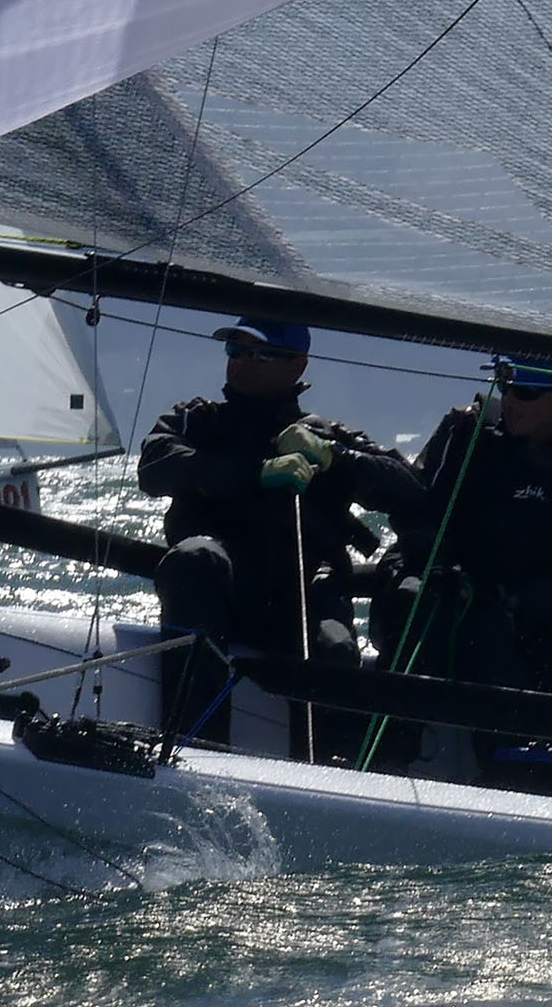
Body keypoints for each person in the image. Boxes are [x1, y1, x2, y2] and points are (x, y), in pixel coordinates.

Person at [137, 319, 423, 746]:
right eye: (235, 350)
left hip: (302, 593)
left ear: (297, 365)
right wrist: (256, 472)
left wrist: (336, 458)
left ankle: (330, 774)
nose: (241, 363)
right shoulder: (198, 420)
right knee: (194, 557)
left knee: (334, 646)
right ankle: (194, 747)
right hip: (224, 590)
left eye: (260, 353)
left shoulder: (326, 435)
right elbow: (155, 468)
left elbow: (412, 491)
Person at [373, 357, 552, 719]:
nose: (510, 400)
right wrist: (438, 565)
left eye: (526, 392)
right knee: (418, 604)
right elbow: (416, 505)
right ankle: (389, 741)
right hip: (435, 586)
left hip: (507, 620)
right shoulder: (464, 430)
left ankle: (507, 750)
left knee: (494, 639)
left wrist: (506, 600)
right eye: (505, 385)